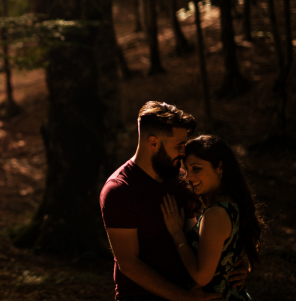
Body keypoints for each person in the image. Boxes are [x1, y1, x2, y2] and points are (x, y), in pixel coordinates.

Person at [100, 101, 247, 301]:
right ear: (153, 143)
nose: (183, 153)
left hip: (188, 289)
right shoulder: (119, 190)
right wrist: (184, 298)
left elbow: (197, 237)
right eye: (179, 146)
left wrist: (235, 262)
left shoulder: (180, 181)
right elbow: (128, 264)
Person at [161, 135, 263, 300]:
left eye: (196, 168)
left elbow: (202, 276)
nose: (188, 177)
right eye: (186, 170)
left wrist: (176, 233)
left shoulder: (215, 213)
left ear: (220, 167)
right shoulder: (233, 203)